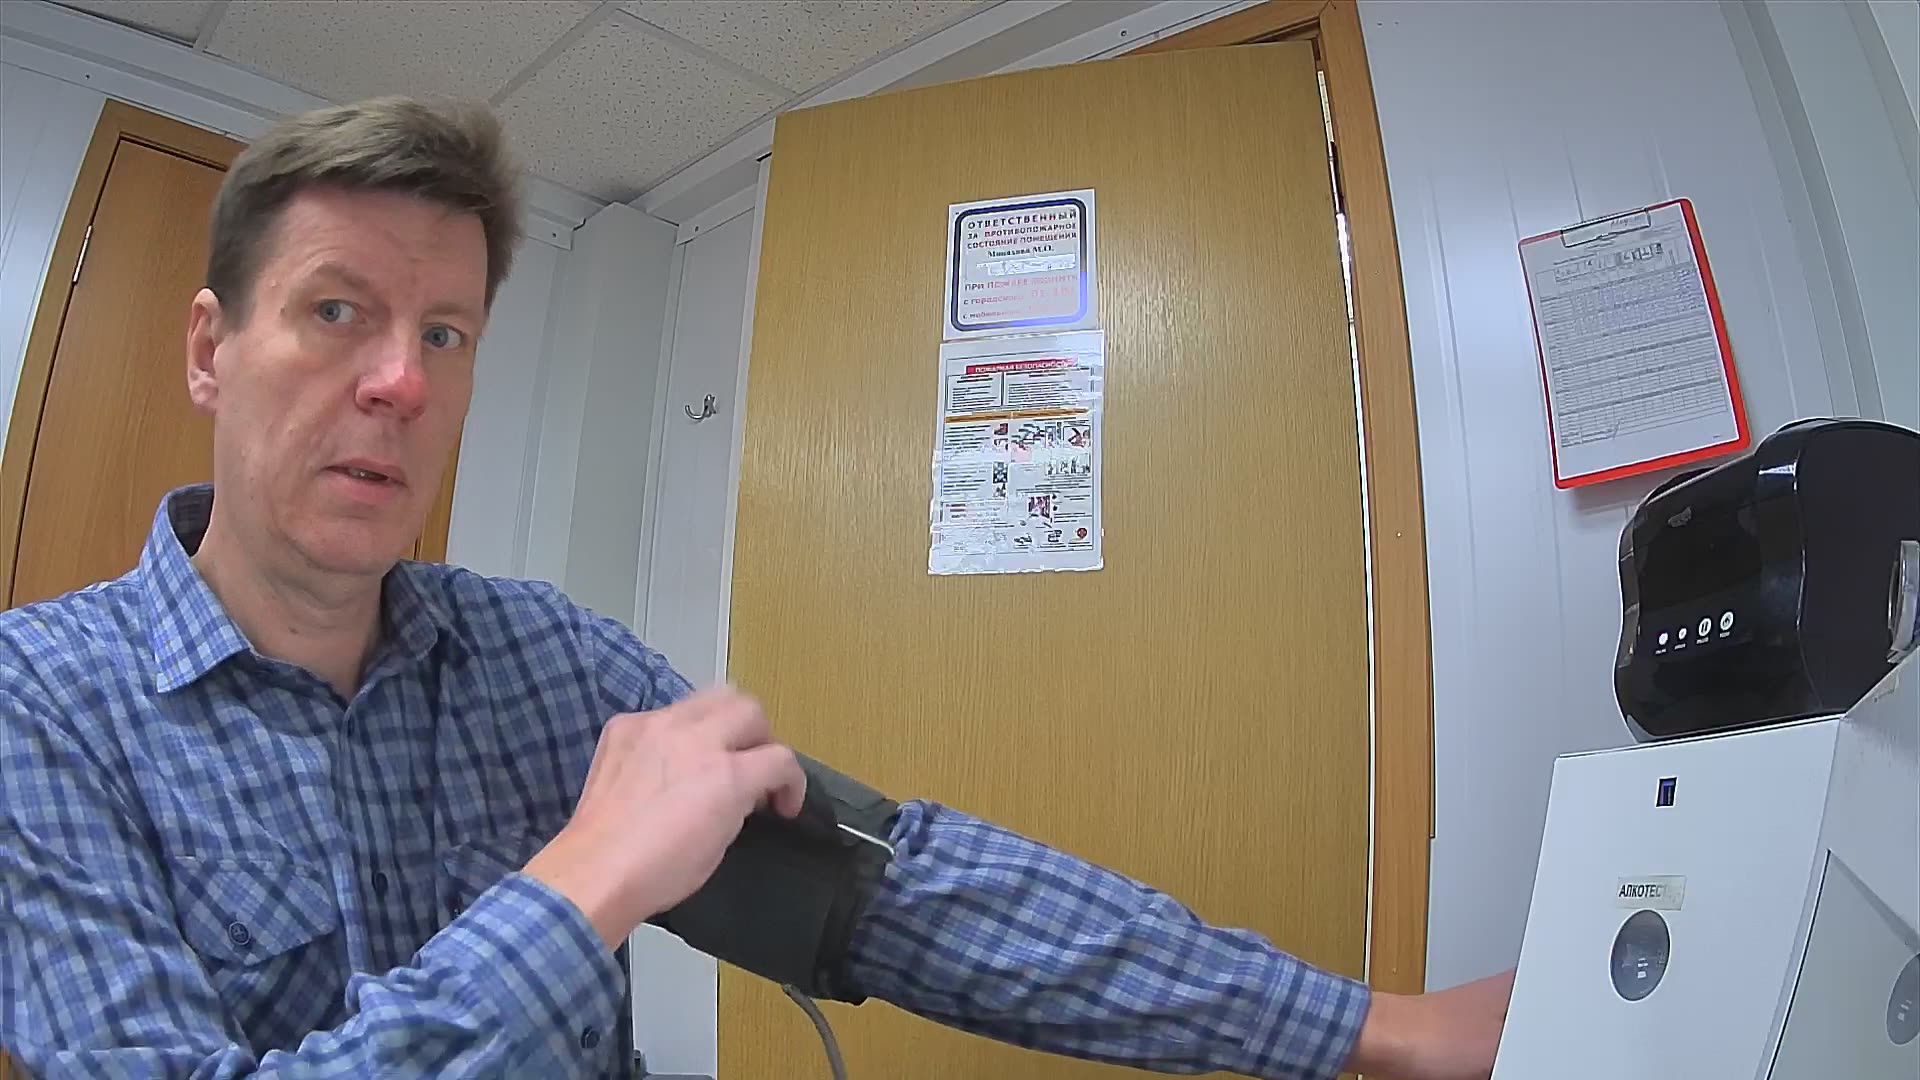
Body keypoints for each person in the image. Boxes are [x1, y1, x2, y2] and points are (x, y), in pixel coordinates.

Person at [0, 97, 1512, 1079]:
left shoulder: (541, 661)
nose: (400, 380)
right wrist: (587, 879)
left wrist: (1369, 1031)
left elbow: (903, 890)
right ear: (211, 350)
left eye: (444, 333)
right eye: (336, 312)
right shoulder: (39, 707)